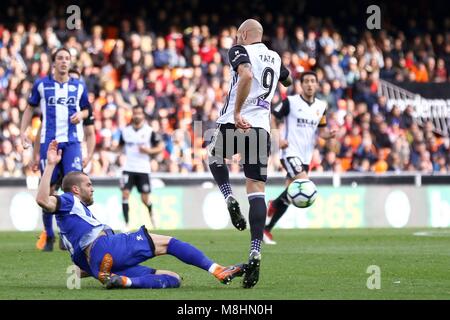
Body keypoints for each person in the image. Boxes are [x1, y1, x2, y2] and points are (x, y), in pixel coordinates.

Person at [35, 140, 245, 289]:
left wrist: (91, 269)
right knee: (168, 243)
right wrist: (51, 165)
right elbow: (43, 200)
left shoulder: (72, 224)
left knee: (173, 278)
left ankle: (125, 282)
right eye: (88, 185)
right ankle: (218, 270)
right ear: (75, 189)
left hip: (101, 266)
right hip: (107, 248)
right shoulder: (69, 201)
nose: (92, 188)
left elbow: (80, 267)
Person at [207, 19, 292, 288]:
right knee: (256, 190)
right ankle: (255, 249)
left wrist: (237, 112)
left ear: (243, 34)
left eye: (237, 35)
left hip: (238, 120)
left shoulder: (238, 50)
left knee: (213, 156)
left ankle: (228, 197)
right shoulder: (276, 57)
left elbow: (245, 75)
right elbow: (287, 80)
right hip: (261, 128)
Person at [20, 48, 90, 251]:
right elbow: (29, 109)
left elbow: (88, 109)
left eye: (67, 58)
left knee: (74, 186)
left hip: (72, 143)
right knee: (48, 189)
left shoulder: (78, 86)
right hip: (49, 142)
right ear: (54, 63)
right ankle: (49, 234)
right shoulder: (41, 84)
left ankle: (70, 235)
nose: (64, 61)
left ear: (70, 62)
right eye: (60, 58)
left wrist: (82, 115)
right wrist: (24, 132)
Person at [264, 71, 337, 244]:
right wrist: (277, 138)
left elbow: (322, 131)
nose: (310, 84)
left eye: (313, 81)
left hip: (306, 157)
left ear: (317, 85)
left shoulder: (321, 106)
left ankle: (266, 229)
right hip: (289, 152)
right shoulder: (290, 102)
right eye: (306, 81)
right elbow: (273, 116)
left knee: (290, 196)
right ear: (301, 85)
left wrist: (329, 135)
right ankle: (273, 206)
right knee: (304, 185)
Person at [112, 105, 164, 230]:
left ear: (143, 116)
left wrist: (148, 150)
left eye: (139, 113)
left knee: (145, 199)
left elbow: (160, 146)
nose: (137, 115)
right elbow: (120, 147)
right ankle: (126, 224)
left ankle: (152, 213)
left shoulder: (149, 131)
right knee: (125, 194)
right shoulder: (125, 131)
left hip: (143, 169)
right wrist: (112, 148)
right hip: (128, 167)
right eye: (135, 113)